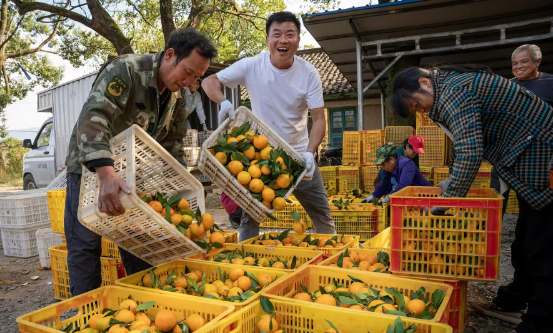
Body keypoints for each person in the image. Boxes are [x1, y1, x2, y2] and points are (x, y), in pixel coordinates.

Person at [390, 65, 553, 333]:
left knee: (542, 244)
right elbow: (469, 145)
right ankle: (514, 301)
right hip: (527, 151)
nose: (422, 113)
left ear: (425, 82)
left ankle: (539, 330)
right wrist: (451, 182)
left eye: (417, 104)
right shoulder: (450, 89)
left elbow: (470, 149)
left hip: (542, 153)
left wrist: (446, 201)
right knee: (526, 236)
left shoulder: (454, 92)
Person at [64, 28, 217, 296]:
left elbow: (174, 144)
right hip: (92, 171)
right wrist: (106, 176)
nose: (189, 81)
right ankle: (84, 314)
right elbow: (94, 118)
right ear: (170, 55)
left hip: (134, 172)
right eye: (188, 72)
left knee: (141, 242)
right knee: (86, 245)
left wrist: (183, 189)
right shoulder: (126, 70)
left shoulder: (176, 95)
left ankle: (142, 306)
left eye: (197, 77)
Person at [202, 11, 335, 241]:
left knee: (322, 214)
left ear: (298, 40)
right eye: (277, 34)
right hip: (263, 156)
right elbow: (209, 81)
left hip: (299, 158)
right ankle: (247, 260)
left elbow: (319, 118)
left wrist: (310, 153)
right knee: (250, 216)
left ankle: (332, 261)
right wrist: (222, 101)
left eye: (290, 34)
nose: (283, 40)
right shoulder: (252, 65)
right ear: (267, 40)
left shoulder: (309, 73)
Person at [490, 44, 553, 210]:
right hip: (505, 155)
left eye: (524, 62)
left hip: (534, 159)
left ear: (537, 61)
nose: (518, 67)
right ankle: (492, 234)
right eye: (515, 63)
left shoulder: (550, 83)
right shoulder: (506, 86)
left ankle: (524, 236)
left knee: (530, 206)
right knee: (495, 200)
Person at [364, 143, 431, 204]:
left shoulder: (407, 165)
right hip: (411, 200)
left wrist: (388, 197)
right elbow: (383, 185)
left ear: (391, 160)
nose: (383, 168)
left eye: (383, 164)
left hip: (426, 198)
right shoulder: (388, 169)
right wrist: (373, 196)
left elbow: (403, 185)